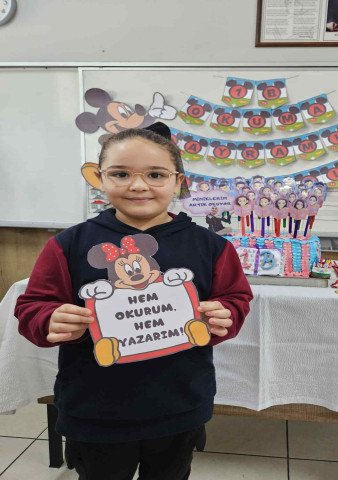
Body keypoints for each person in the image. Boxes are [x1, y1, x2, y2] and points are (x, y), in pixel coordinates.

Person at [14, 123, 253, 480]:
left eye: (156, 174)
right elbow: (32, 306)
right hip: (95, 408)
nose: (138, 185)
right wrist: (50, 319)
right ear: (99, 178)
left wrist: (224, 315)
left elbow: (236, 298)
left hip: (180, 403)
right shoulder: (68, 244)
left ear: (178, 181)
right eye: (121, 174)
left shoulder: (211, 246)